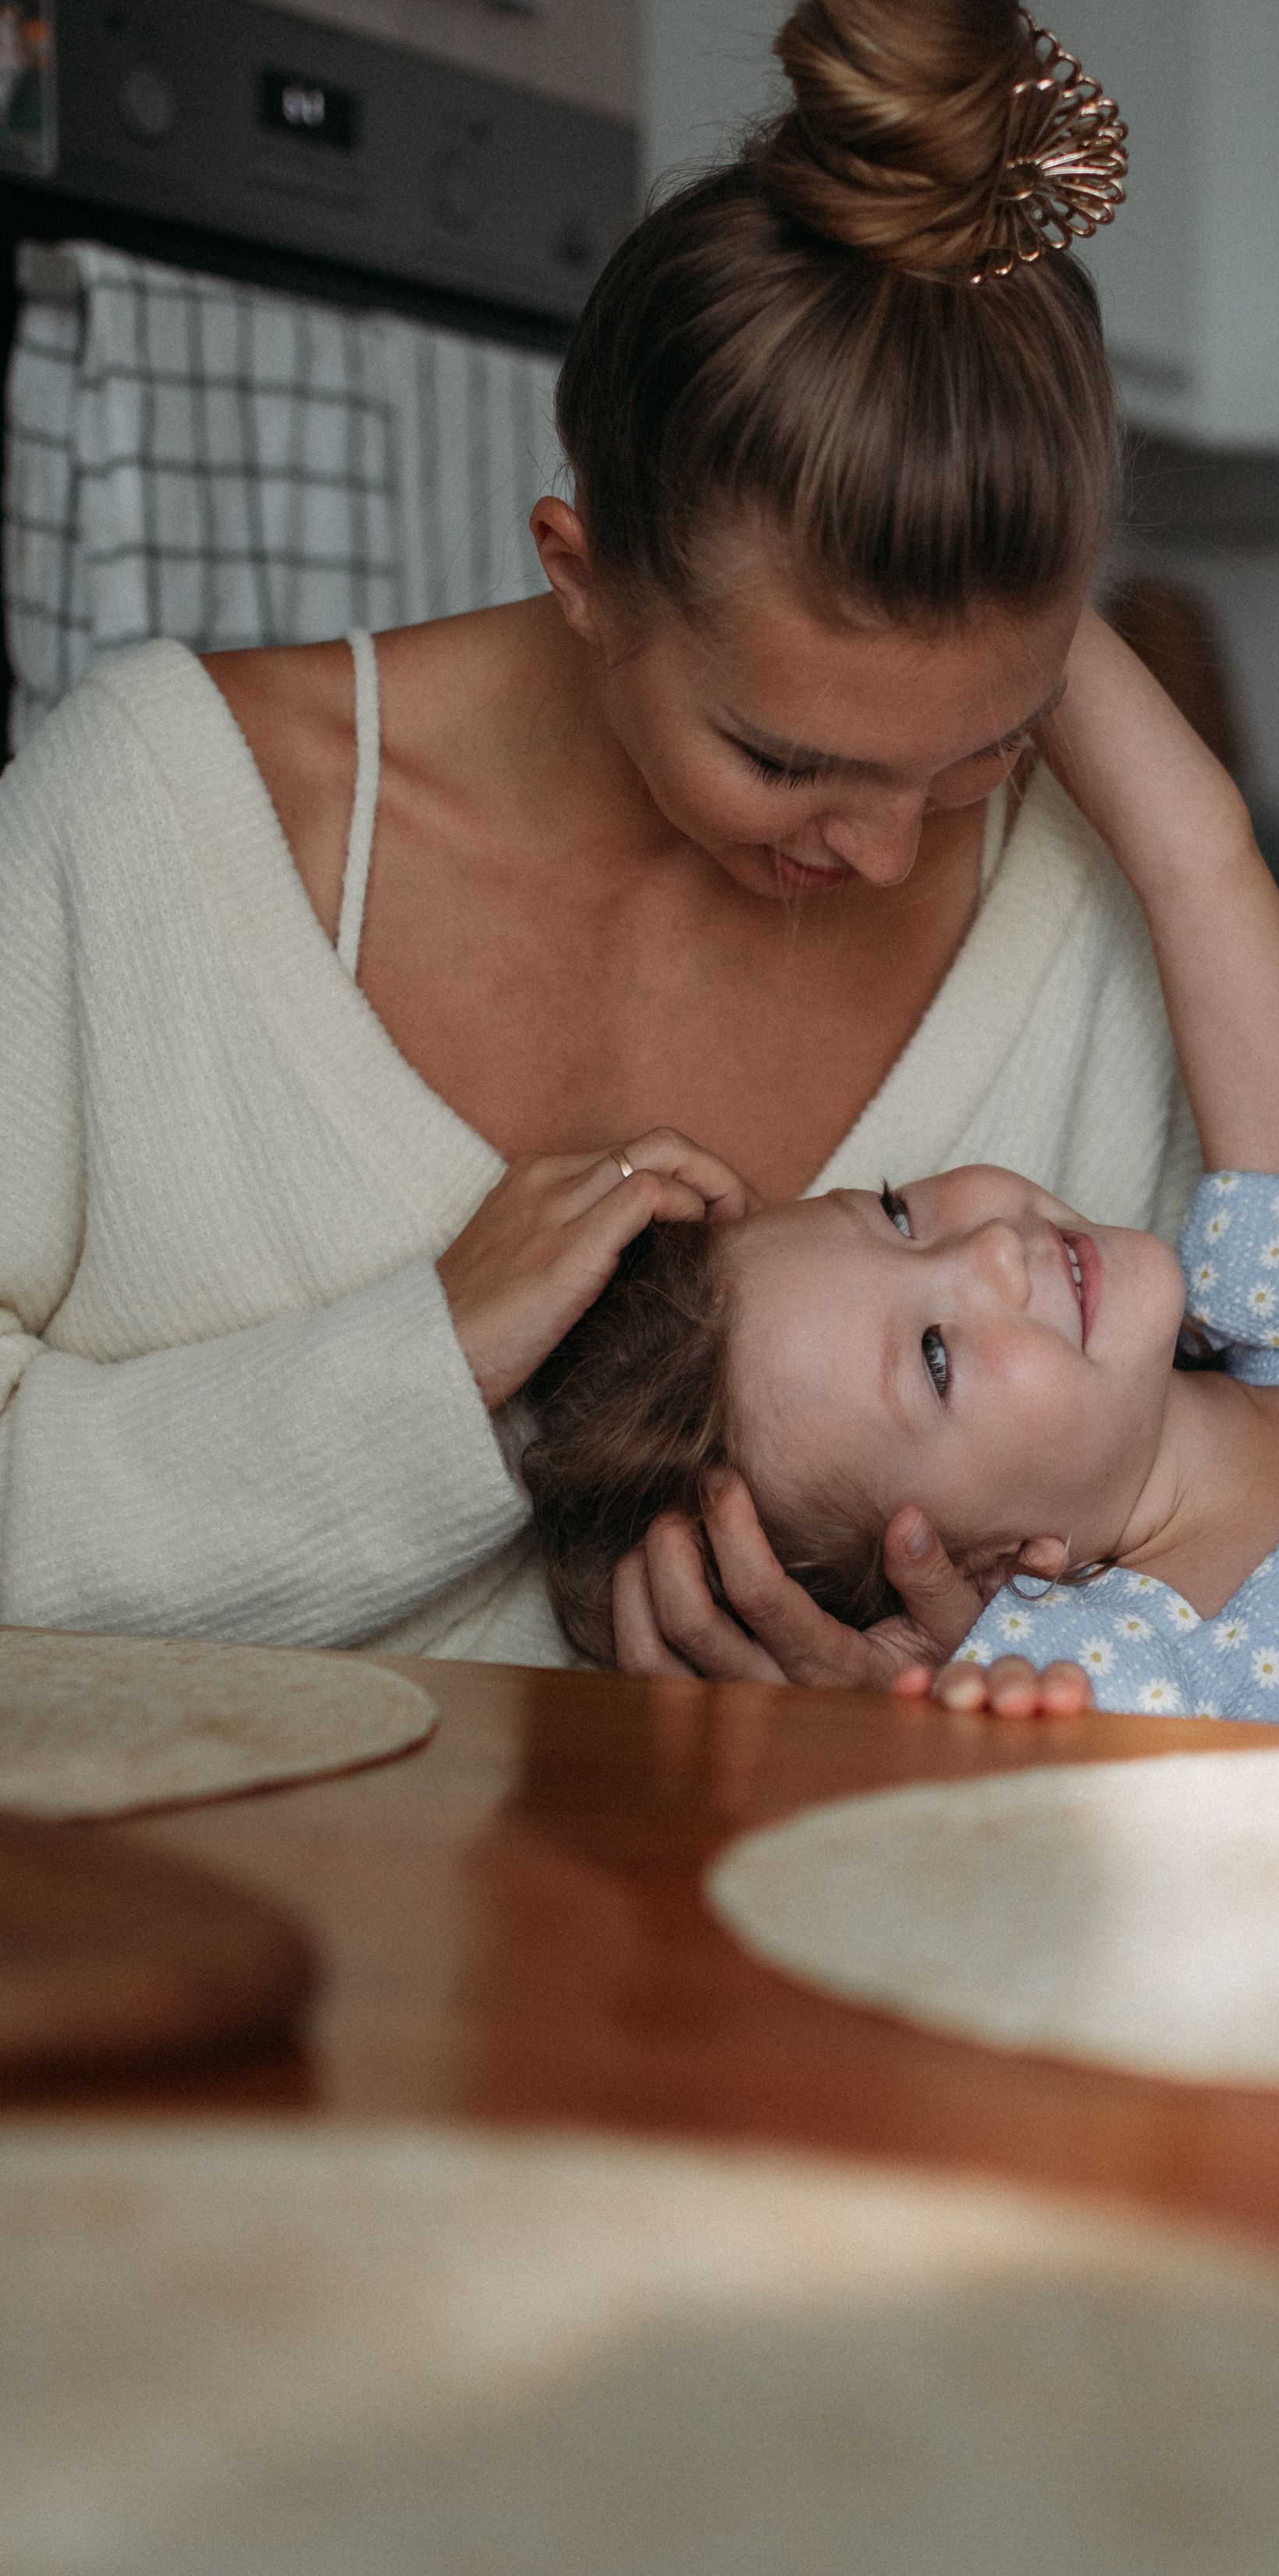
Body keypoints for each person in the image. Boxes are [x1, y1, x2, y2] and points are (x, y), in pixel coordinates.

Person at [0, 3, 1196, 1669]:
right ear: (582, 572)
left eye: (980, 753)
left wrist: (947, 1690)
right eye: (788, 759)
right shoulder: (152, 826)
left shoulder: (1070, 930)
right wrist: (422, 1371)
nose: (886, 852)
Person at [518, 611, 1279, 1734]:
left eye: (895, 1213)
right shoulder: (1090, 1702)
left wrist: (995, 575)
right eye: (934, 1357)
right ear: (971, 1560)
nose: (985, 1250)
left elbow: (1189, 852)